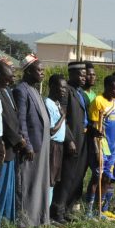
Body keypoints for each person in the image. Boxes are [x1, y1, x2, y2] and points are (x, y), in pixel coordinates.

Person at [13, 54, 50, 228]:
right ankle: (26, 219)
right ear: (28, 72)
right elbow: (21, 121)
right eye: (39, 70)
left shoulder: (35, 89)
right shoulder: (21, 90)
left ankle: (40, 218)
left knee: (40, 182)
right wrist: (26, 144)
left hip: (42, 144)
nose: (42, 73)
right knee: (28, 182)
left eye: (43, 70)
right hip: (31, 146)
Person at [49, 61, 87, 224]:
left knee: (76, 177)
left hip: (82, 139)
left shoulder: (80, 93)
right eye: (81, 74)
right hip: (70, 140)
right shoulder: (67, 92)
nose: (84, 77)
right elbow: (62, 117)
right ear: (71, 74)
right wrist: (69, 140)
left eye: (85, 74)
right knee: (66, 178)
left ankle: (68, 209)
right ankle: (58, 210)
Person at [85, 75, 115, 219]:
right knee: (97, 177)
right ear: (106, 87)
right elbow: (95, 128)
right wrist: (97, 150)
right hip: (103, 145)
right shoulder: (98, 102)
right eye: (114, 89)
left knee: (109, 178)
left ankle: (101, 209)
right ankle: (89, 211)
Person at [0, 59, 20, 226]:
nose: (12, 75)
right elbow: (4, 119)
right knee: (0, 183)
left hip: (13, 145)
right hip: (4, 142)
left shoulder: (9, 90)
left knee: (8, 185)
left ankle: (6, 215)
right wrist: (17, 140)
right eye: (9, 71)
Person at [44, 75, 68, 209]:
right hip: (52, 145)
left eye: (65, 88)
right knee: (50, 179)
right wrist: (63, 116)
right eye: (61, 87)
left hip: (59, 144)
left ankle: (47, 210)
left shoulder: (57, 103)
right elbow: (51, 130)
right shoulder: (48, 103)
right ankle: (45, 212)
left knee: (54, 180)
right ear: (52, 86)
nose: (64, 91)